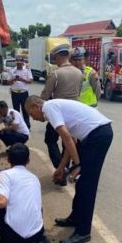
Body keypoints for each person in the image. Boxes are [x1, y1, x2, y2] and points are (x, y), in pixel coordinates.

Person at [25, 95, 113, 243]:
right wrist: (61, 168)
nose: (33, 118)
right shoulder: (53, 108)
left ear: (36, 106)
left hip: (98, 135)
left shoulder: (49, 108)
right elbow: (70, 140)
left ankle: (83, 231)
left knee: (87, 184)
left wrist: (78, 165)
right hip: (94, 135)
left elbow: (66, 138)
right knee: (81, 182)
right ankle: (76, 217)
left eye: (31, 114)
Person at [0, 143, 50, 243]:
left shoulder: (6, 174)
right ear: (28, 161)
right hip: (37, 234)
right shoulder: (34, 178)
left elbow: (1, 202)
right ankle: (40, 241)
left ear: (8, 160)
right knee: (34, 201)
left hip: (14, 238)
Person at [40, 43, 83, 171]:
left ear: (58, 57)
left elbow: (45, 96)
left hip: (57, 114)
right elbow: (78, 93)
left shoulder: (56, 74)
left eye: (55, 58)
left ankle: (59, 166)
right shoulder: (79, 73)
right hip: (73, 114)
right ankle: (66, 167)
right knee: (68, 143)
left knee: (50, 139)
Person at [9, 57, 33, 128]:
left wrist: (21, 79)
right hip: (15, 93)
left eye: (20, 62)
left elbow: (30, 81)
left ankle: (27, 126)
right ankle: (17, 125)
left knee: (25, 109)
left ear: (23, 63)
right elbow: (8, 82)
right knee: (16, 111)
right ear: (16, 62)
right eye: (17, 62)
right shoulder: (12, 70)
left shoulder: (27, 70)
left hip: (24, 93)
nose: (19, 64)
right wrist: (14, 79)